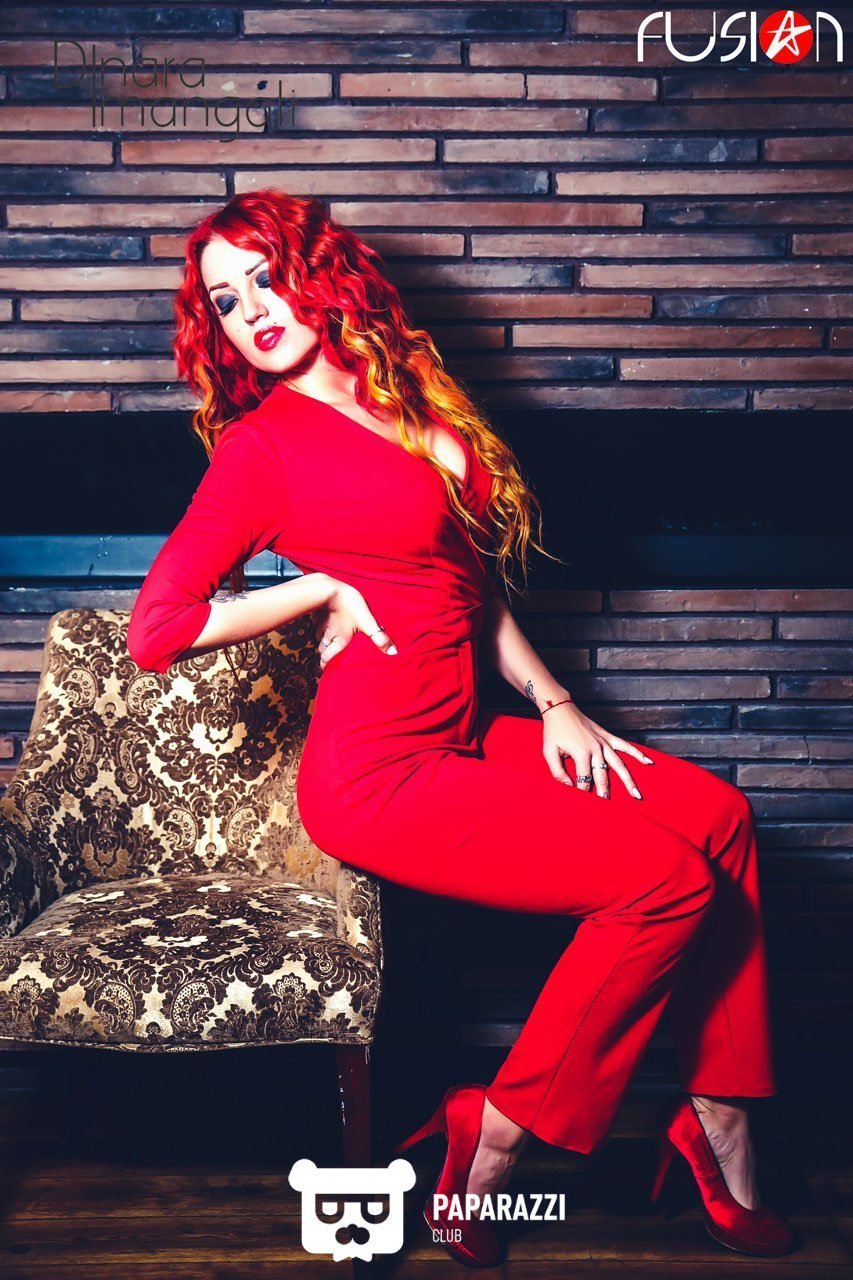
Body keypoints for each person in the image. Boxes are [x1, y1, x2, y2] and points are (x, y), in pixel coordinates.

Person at [126, 189, 794, 1267]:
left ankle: (718, 1120)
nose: (251, 310)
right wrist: (319, 589)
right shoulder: (264, 449)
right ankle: (496, 1132)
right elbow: (157, 629)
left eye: (266, 276)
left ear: (320, 275)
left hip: (467, 730)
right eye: (227, 299)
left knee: (717, 817)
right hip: (377, 773)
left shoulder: (407, 396)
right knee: (661, 884)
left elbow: (468, 587)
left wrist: (556, 703)